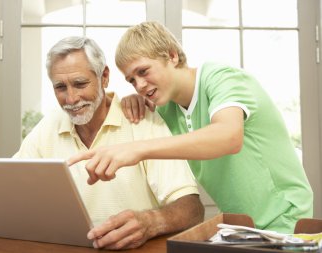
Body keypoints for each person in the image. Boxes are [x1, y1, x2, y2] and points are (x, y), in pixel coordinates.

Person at [68, 21, 314, 234]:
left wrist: (138, 148)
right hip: (240, 227)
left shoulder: (221, 78)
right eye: (132, 80)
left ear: (172, 56)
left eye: (143, 71)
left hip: (286, 221)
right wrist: (134, 100)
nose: (139, 85)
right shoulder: (166, 109)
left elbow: (228, 136)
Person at [13, 35, 205, 250]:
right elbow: (9, 187)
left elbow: (192, 208)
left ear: (104, 77)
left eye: (80, 84)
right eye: (60, 87)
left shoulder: (142, 121)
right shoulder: (48, 126)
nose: (71, 99)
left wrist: (150, 222)